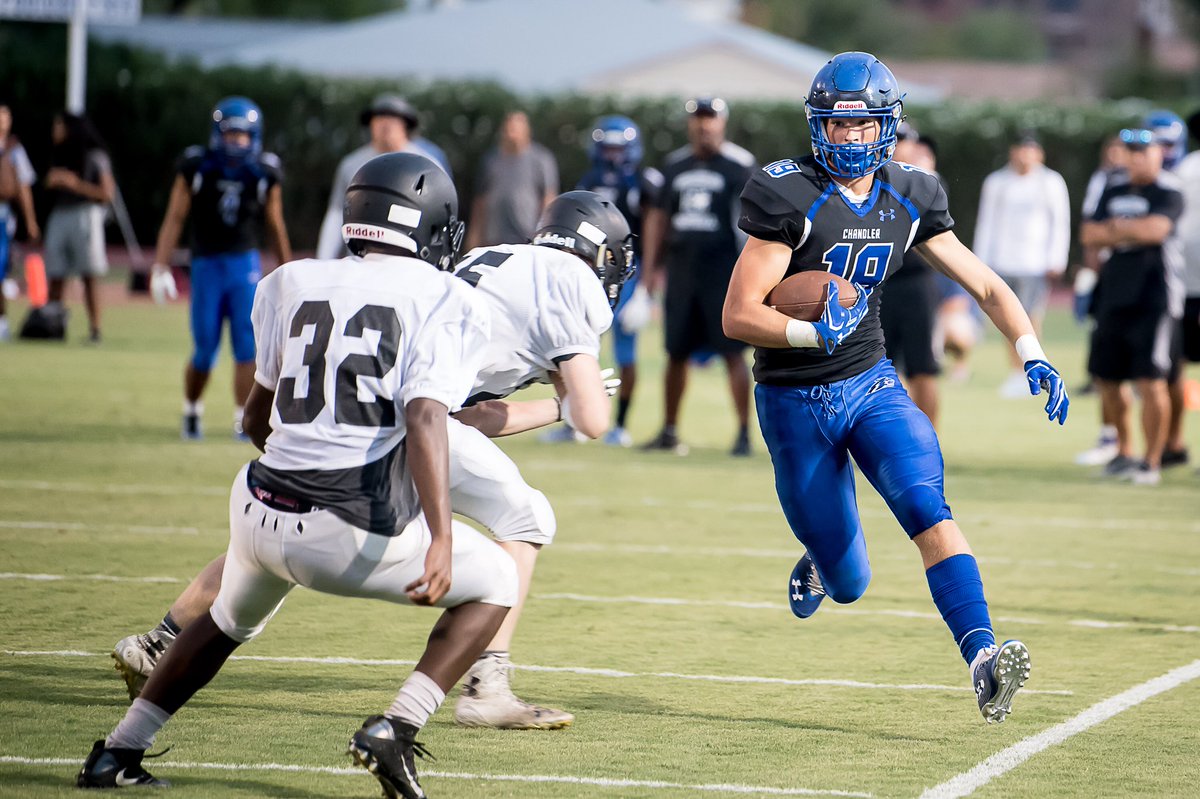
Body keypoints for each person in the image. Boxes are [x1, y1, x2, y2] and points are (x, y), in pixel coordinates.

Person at [78, 152, 518, 796]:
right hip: (343, 522)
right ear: (427, 224)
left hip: (258, 501)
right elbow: (426, 417)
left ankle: (117, 753)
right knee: (499, 577)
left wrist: (293, 470)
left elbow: (256, 415)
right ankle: (395, 727)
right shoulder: (447, 296)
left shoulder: (290, 280)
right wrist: (442, 537)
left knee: (225, 621)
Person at [112, 191, 634, 732]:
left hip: (372, 411)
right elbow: (591, 422)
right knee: (527, 517)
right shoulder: (567, 278)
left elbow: (468, 417)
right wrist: (573, 401)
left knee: (287, 532)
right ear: (601, 254)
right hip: (413, 420)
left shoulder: (495, 259)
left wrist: (555, 405)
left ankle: (162, 639)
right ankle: (487, 686)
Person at [722, 52, 1068, 724]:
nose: (849, 140)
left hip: (870, 383)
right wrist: (808, 335)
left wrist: (1031, 351)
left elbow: (988, 284)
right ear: (817, 125)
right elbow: (740, 313)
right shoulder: (787, 192)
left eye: (862, 127)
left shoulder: (911, 192)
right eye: (837, 126)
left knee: (927, 506)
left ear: (887, 127)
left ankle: (984, 661)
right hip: (794, 403)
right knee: (850, 582)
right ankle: (824, 559)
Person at [148, 97, 291, 441]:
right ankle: (192, 409)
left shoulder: (263, 171)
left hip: (243, 262)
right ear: (218, 134)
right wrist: (159, 266)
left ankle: (244, 418)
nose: (236, 141)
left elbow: (275, 224)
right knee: (204, 346)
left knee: (246, 344)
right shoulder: (197, 166)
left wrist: (288, 272)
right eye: (231, 134)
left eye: (243, 135)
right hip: (206, 263)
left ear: (254, 137)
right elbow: (175, 216)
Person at [641, 97, 757, 456]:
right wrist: (649, 268)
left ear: (722, 123)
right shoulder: (676, 165)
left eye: (711, 119)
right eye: (698, 119)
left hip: (722, 273)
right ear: (690, 124)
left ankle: (742, 434)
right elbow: (659, 218)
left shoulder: (740, 165)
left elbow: (755, 225)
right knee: (675, 352)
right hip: (681, 271)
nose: (704, 126)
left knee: (732, 354)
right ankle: (669, 430)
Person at [542, 115, 662, 446]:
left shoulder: (643, 182)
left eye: (617, 149)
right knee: (575, 347)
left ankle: (620, 424)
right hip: (588, 274)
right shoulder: (588, 180)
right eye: (606, 148)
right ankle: (573, 421)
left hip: (627, 275)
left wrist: (647, 288)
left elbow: (653, 232)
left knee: (625, 351)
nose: (611, 155)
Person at [1078, 128, 1185, 486]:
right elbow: (1089, 234)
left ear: (1159, 155)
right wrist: (1129, 230)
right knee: (1107, 378)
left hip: (1155, 297)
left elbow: (1156, 231)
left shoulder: (1169, 192)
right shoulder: (1113, 189)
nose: (1136, 158)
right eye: (1131, 152)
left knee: (1151, 380)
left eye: (1144, 152)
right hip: (1113, 292)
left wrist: (1115, 228)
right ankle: (1124, 452)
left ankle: (1151, 462)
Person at [973, 132, 1071, 398]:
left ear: (1039, 154)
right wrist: (981, 260)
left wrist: (1056, 259)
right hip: (1003, 260)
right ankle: (1016, 372)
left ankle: (1033, 368)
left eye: (1031, 150)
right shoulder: (997, 182)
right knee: (1006, 317)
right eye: (1021, 149)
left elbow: (1060, 222)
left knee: (1031, 316)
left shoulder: (1050, 182)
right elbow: (987, 222)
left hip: (1034, 262)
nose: (1025, 156)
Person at [315, 94, 450, 260]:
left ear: (405, 126)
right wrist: (324, 257)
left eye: (393, 119)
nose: (385, 125)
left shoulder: (427, 165)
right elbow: (336, 212)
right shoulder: (351, 164)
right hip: (362, 258)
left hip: (411, 261)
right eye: (379, 118)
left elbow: (440, 216)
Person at [1074, 134, 1131, 467]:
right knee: (1106, 369)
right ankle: (1111, 439)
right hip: (1109, 281)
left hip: (1149, 288)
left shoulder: (1165, 186)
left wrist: (1116, 232)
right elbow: (1090, 232)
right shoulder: (1105, 183)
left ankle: (1152, 452)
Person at [879, 123, 942, 427]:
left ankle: (929, 440)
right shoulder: (868, 182)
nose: (897, 145)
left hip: (915, 283)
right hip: (879, 285)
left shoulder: (923, 183)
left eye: (903, 139)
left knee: (922, 367)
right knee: (876, 368)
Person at [1141, 110, 1192, 469]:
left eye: (1169, 143)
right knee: (1170, 371)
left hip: (1187, 284)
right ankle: (1173, 442)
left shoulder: (1189, 174)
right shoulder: (1138, 180)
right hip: (1172, 287)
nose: (1164, 150)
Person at [42, 112, 114, 343]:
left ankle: (95, 330)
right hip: (59, 215)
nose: (55, 131)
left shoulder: (95, 156)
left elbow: (106, 194)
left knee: (89, 274)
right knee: (55, 273)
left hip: (85, 216)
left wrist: (75, 184)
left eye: (59, 125)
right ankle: (52, 327)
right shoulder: (59, 155)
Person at [466, 111, 558, 249]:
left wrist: (543, 235)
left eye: (515, 130)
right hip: (494, 239)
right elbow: (480, 203)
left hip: (526, 238)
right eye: (508, 129)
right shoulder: (490, 160)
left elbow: (548, 198)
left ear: (527, 131)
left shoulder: (541, 159)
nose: (510, 134)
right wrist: (474, 238)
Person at [0, 100, 40, 341]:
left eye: (5, 115)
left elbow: (24, 188)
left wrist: (31, 221)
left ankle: (2, 322)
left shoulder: (14, 150)